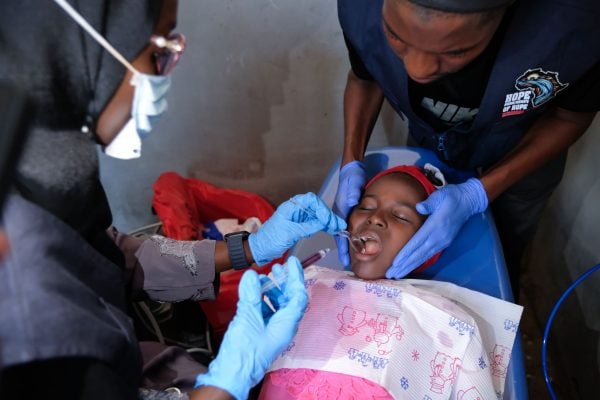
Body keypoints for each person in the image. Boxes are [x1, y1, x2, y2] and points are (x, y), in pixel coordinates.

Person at [0, 1, 347, 399]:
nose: (163, 74)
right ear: (73, 50)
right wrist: (228, 383)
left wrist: (250, 247)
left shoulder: (49, 173)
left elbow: (111, 259)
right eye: (159, 53)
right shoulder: (32, 330)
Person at [333, 0, 600, 298]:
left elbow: (569, 117)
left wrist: (478, 194)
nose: (417, 69)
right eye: (396, 36)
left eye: (455, 51)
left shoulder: (578, 28)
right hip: (432, 142)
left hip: (527, 149)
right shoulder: (360, 9)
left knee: (508, 238)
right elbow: (364, 77)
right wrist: (350, 161)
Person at [257, 165, 523, 399]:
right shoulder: (303, 284)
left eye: (401, 216)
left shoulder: (451, 320)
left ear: (429, 243)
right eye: (366, 207)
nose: (375, 218)